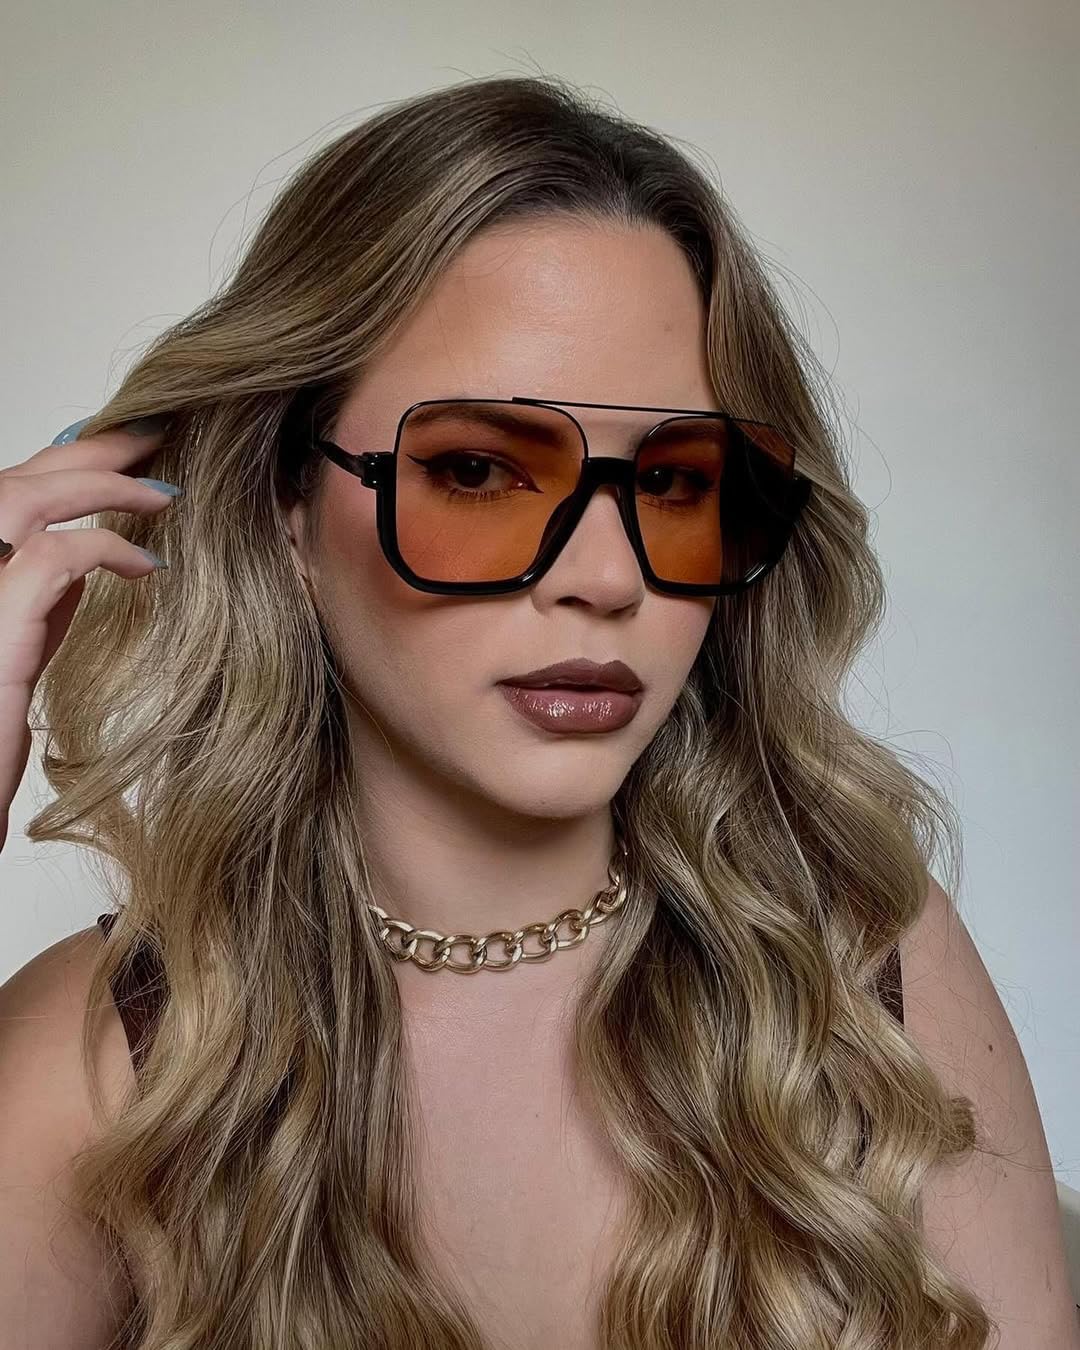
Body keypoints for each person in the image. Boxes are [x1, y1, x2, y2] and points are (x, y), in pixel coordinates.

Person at [0, 73, 1075, 1350]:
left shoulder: (860, 966)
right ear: (286, 508)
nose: (608, 578)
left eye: (675, 483)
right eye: (478, 469)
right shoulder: (100, 1060)